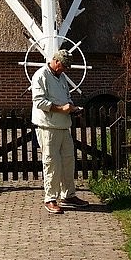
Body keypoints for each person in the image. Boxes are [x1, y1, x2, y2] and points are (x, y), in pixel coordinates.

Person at [31, 48, 89, 214]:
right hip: (48, 127)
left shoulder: (61, 76)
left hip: (64, 126)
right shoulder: (40, 75)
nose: (65, 69)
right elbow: (39, 102)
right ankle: (50, 198)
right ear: (56, 61)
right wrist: (61, 109)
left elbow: (66, 98)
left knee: (68, 161)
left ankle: (68, 195)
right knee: (51, 163)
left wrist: (73, 109)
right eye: (63, 65)